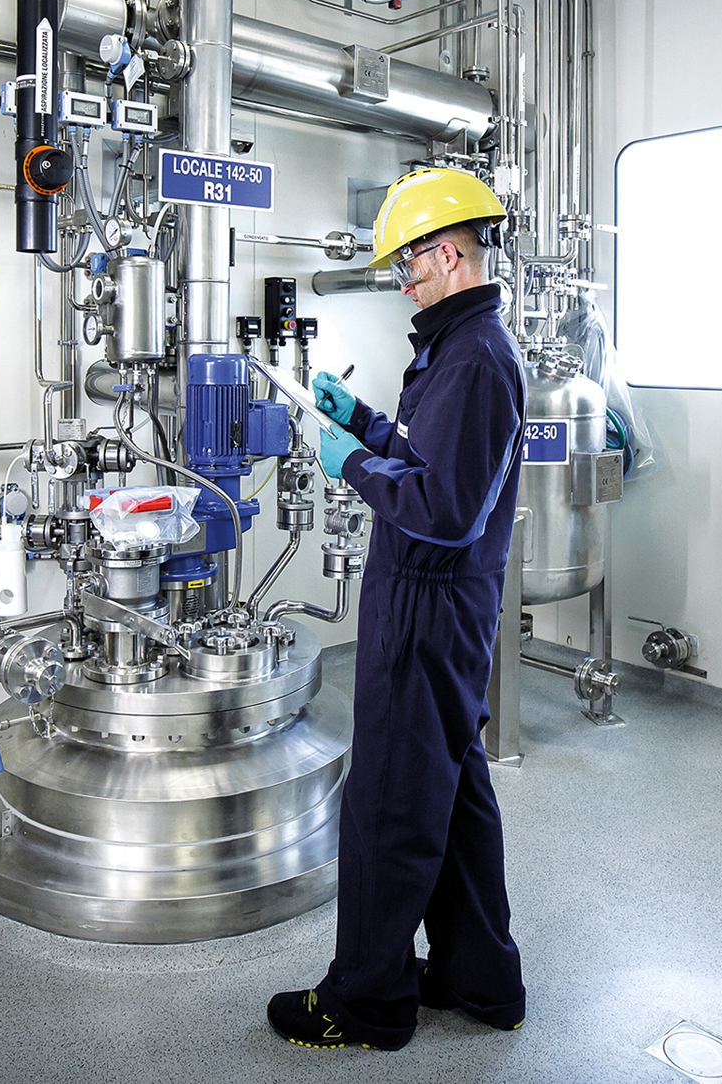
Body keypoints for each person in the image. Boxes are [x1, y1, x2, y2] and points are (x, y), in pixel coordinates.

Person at [266, 167, 528, 1052]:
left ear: (448, 254)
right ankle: (479, 979)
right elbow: (430, 456)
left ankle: (365, 1002)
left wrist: (348, 464)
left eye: (408, 264)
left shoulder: (477, 357)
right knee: (452, 797)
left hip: (427, 605)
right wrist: (369, 425)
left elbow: (444, 510)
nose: (402, 280)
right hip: (443, 605)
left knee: (388, 805)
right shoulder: (459, 347)